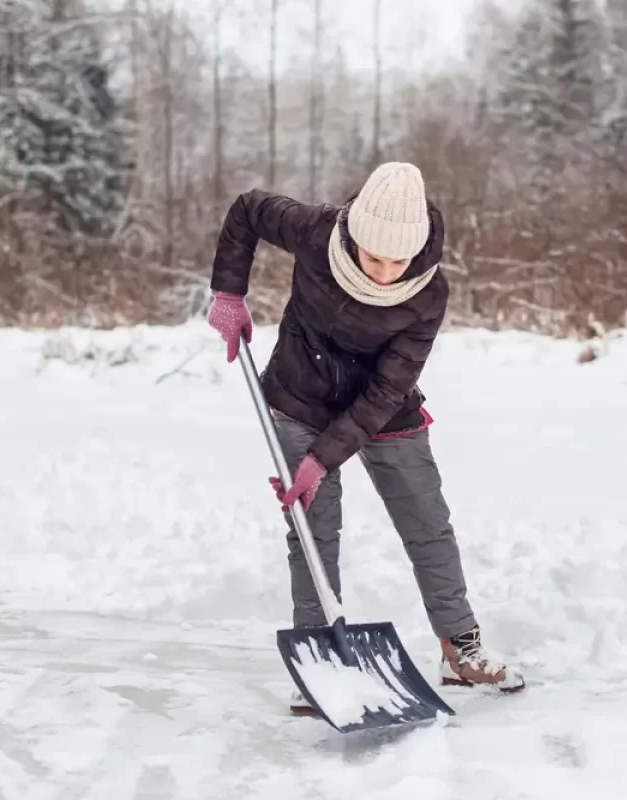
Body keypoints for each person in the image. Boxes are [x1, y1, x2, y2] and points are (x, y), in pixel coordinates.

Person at [205, 162, 526, 713]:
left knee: (426, 521)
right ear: (353, 235)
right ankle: (319, 654)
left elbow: (386, 389)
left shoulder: (428, 293)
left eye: (397, 261)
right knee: (313, 527)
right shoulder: (315, 231)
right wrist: (229, 293)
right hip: (300, 396)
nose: (383, 273)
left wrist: (323, 459)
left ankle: (461, 646)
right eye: (373, 258)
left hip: (382, 410)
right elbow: (248, 210)